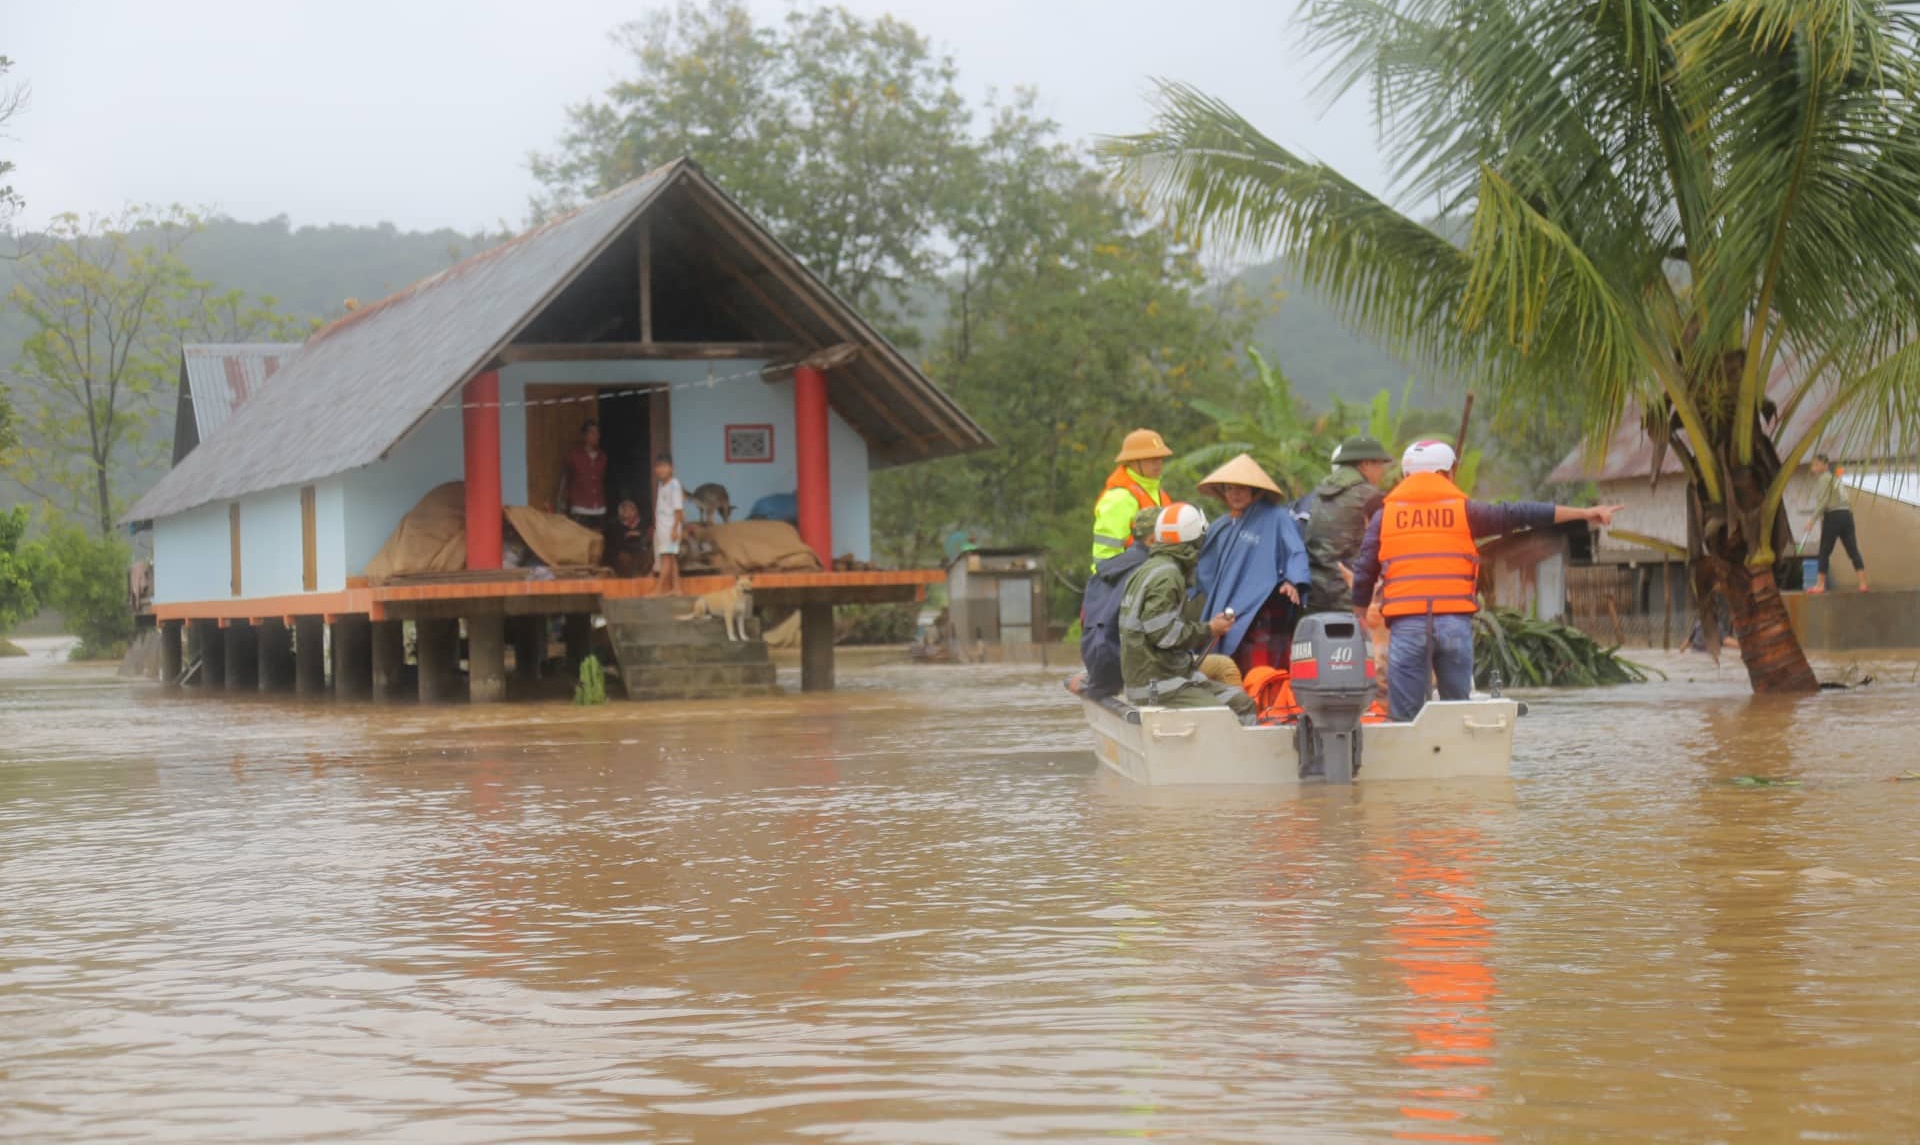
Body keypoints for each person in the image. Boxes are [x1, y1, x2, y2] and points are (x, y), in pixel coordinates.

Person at [1349, 440, 1622, 720]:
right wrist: (1585, 513)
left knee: (1405, 718)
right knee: (1456, 714)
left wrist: (1359, 609)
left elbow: (1365, 567)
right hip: (1453, 625)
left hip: (1407, 626)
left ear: (1406, 476)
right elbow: (1523, 514)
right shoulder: (1467, 512)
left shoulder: (1384, 517)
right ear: (1447, 474)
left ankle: (1411, 758)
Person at [1118, 502, 1258, 724]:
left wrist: (1208, 628)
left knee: (1242, 703)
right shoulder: (1167, 575)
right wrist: (1210, 629)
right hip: (1159, 686)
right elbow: (1164, 635)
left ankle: (1248, 756)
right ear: (1193, 541)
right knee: (1222, 718)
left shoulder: (1148, 570)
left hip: (1167, 678)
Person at [1192, 453, 1311, 674]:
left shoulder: (1277, 517)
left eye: (1242, 488)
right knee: (1228, 665)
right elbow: (1205, 569)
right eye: (1229, 488)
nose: (1235, 494)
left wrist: (1293, 581)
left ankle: (1265, 703)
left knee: (1262, 667)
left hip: (1262, 609)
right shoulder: (1222, 525)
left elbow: (1295, 551)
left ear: (1255, 491)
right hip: (1227, 610)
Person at [1072, 507, 1161, 699]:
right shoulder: (1154, 573)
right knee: (1221, 667)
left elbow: (1084, 619)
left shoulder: (1103, 570)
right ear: (1153, 539)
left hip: (1097, 664)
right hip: (1123, 668)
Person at [1305, 436, 1392, 612]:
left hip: (1314, 594)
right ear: (1366, 464)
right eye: (1380, 465)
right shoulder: (1369, 496)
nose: (1382, 471)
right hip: (1350, 598)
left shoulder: (1320, 493)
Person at [1091, 428, 1174, 569]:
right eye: (1151, 458)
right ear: (1133, 461)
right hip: (1127, 581)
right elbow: (1106, 558)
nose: (1158, 462)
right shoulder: (1119, 497)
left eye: (1160, 457)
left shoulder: (1159, 493)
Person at [1805, 453, 1868, 594]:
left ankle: (1820, 585)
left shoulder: (1824, 479)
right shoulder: (1835, 478)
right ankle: (1863, 583)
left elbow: (1823, 502)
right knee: (1853, 550)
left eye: (1816, 465)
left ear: (1825, 466)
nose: (1813, 467)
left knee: (1824, 551)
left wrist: (1812, 520)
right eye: (1813, 464)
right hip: (1847, 515)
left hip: (1833, 515)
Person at [555, 419, 609, 533]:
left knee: (597, 544)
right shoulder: (573, 456)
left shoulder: (602, 457)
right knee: (581, 543)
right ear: (585, 435)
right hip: (580, 508)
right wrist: (562, 504)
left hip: (599, 508)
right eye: (592, 433)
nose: (596, 436)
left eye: (598, 433)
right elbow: (565, 479)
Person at [651, 453, 685, 597]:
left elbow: (679, 510)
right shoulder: (661, 484)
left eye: (665, 466)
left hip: (671, 529)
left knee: (665, 559)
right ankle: (677, 589)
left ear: (671, 468)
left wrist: (675, 529)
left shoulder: (674, 485)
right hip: (663, 529)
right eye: (659, 467)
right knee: (671, 558)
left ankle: (658, 590)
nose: (661, 470)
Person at [610, 498, 650, 578]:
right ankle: (625, 578)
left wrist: (639, 534)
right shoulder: (618, 525)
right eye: (626, 511)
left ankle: (642, 575)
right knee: (624, 557)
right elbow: (617, 543)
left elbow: (647, 535)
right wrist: (627, 535)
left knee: (649, 554)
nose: (629, 513)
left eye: (632, 510)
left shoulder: (641, 522)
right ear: (621, 513)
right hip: (626, 551)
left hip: (640, 550)